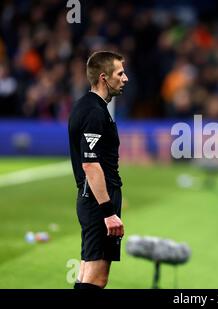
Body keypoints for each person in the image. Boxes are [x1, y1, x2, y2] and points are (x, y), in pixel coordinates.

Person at [68, 51, 128, 289]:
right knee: (96, 278)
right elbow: (90, 164)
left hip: (94, 198)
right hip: (97, 200)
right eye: (120, 73)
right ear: (104, 77)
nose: (125, 78)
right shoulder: (93, 112)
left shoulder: (92, 107)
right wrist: (108, 212)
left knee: (87, 273)